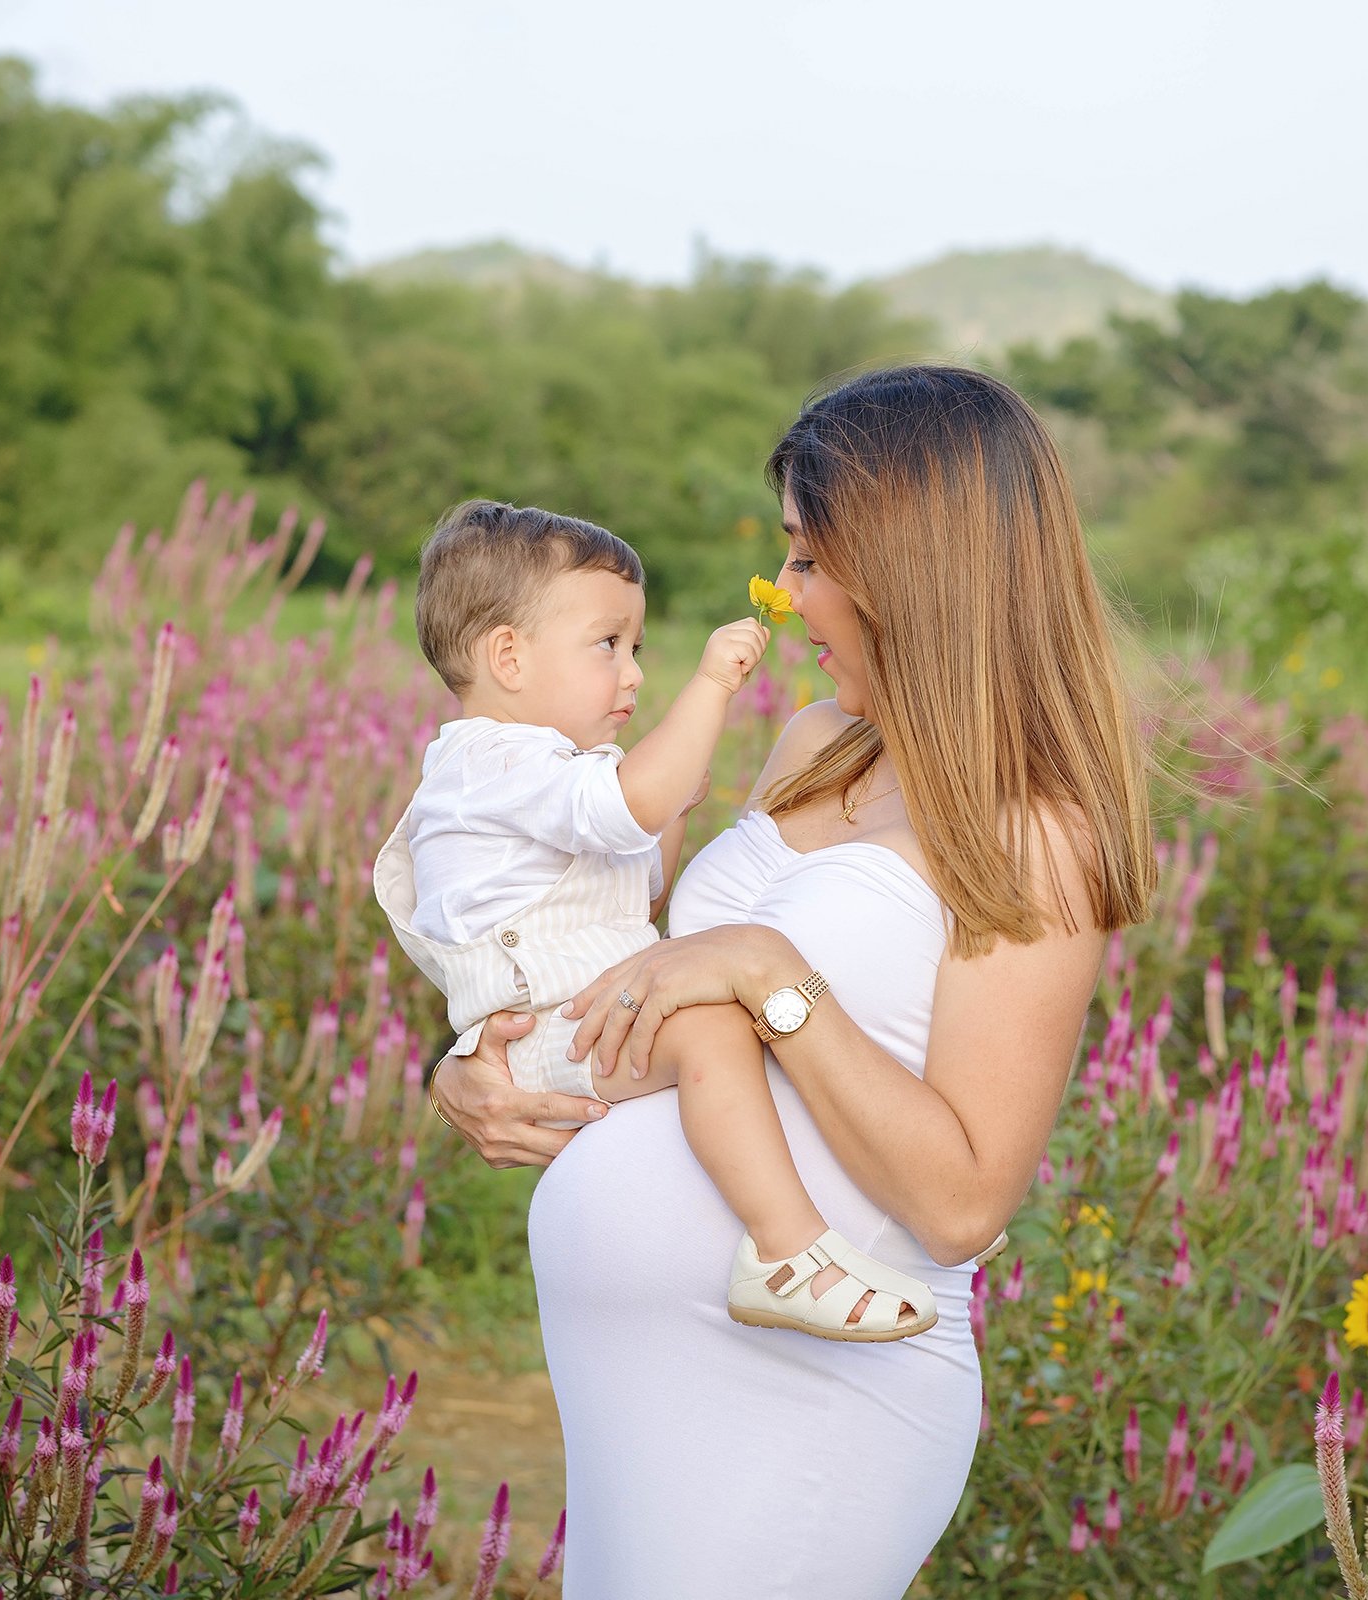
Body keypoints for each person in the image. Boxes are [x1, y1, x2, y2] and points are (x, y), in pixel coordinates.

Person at [427, 365, 1160, 1597]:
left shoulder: (1038, 833)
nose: (790, 594)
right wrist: (474, 1062)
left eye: (813, 562)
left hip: (814, 1401)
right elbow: (647, 980)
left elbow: (964, 1202)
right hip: (636, 1390)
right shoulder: (817, 744)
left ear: (917, 571)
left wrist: (771, 975)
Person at [374, 500, 940, 1343]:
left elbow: (638, 895)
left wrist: (665, 811)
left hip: (581, 1014)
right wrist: (709, 689)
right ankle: (786, 1252)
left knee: (731, 1020)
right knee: (713, 1030)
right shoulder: (491, 759)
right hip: (553, 1026)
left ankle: (888, 1188)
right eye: (610, 646)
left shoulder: (548, 772)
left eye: (636, 649)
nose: (635, 674)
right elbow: (630, 807)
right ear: (507, 657)